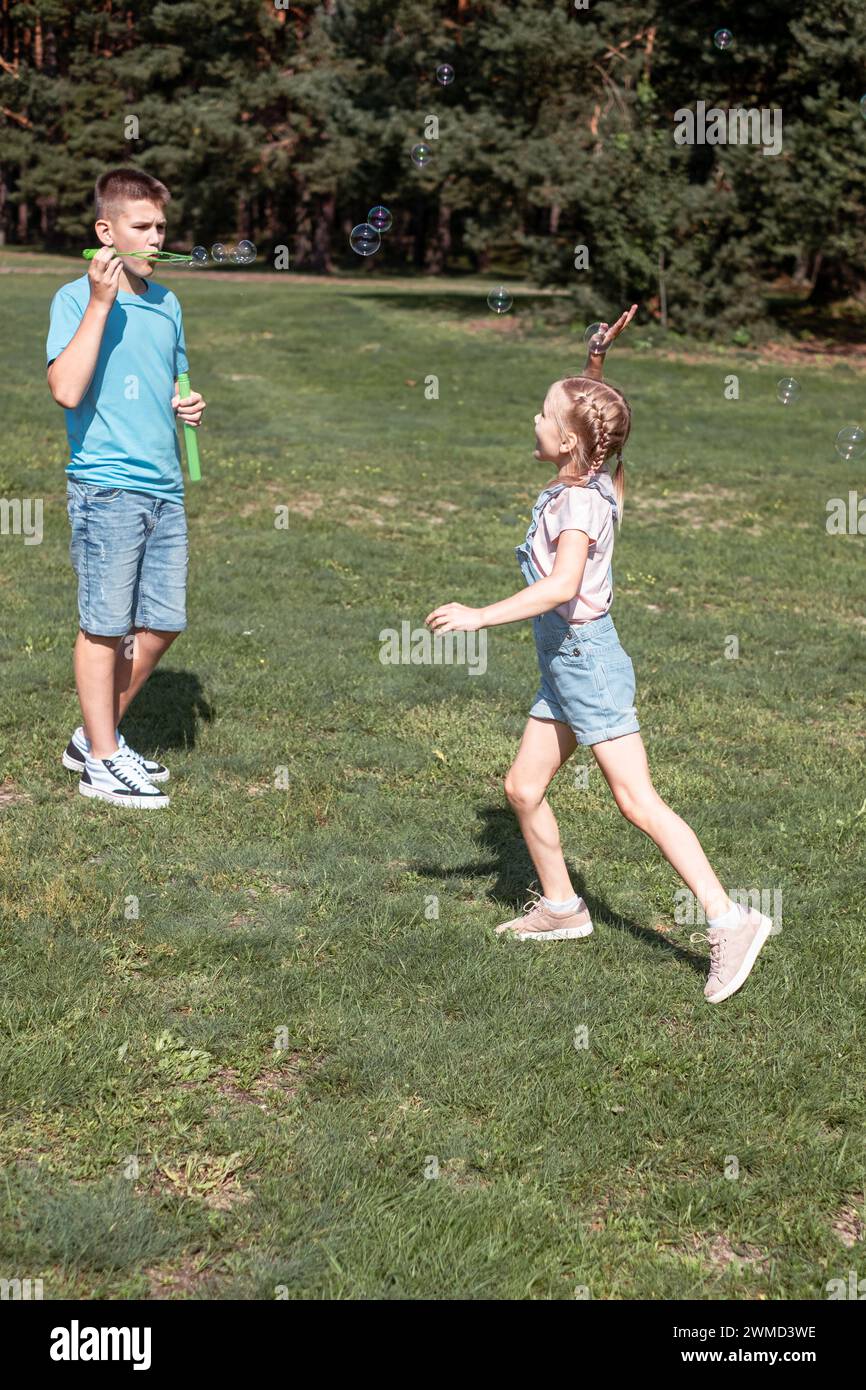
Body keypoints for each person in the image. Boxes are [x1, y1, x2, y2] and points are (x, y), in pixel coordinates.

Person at [425, 307, 773, 1004]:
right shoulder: (596, 477)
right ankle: (562, 905)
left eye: (541, 415)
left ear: (564, 439)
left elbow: (560, 585)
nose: (534, 421)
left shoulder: (578, 507)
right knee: (523, 789)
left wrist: (478, 616)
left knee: (637, 801)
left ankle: (730, 920)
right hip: (567, 662)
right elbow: (597, 426)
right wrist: (595, 364)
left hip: (586, 659)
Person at [46, 167, 206, 808]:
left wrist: (184, 403)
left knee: (163, 622)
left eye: (161, 226)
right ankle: (103, 760)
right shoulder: (73, 299)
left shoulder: (168, 302)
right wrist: (100, 303)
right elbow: (66, 389)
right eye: (142, 226)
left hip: (164, 486)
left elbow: (167, 379)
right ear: (105, 231)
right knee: (105, 627)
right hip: (106, 488)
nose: (156, 236)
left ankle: (93, 735)